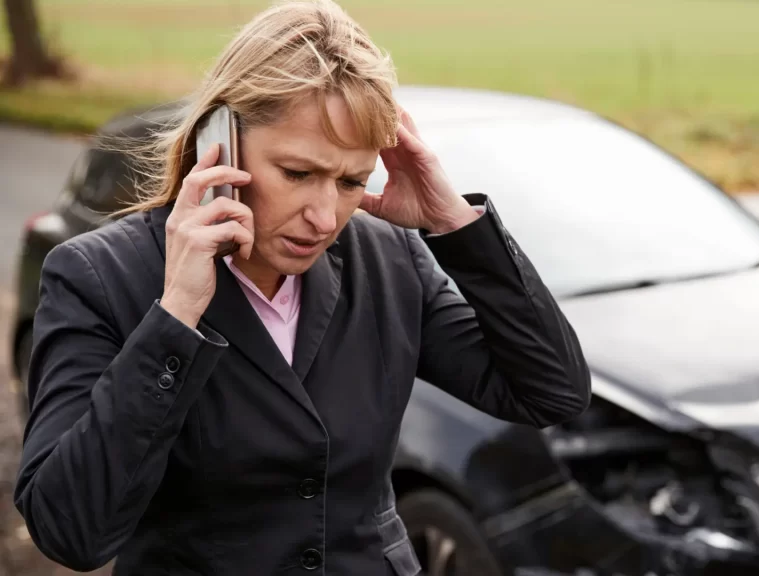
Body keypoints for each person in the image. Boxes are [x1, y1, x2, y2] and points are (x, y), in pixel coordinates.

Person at [13, 1, 591, 574]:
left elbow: (552, 393)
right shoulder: (98, 276)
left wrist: (456, 225)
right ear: (221, 142)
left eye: (351, 181)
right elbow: (70, 531)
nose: (323, 216)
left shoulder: (389, 258)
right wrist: (176, 316)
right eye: (297, 173)